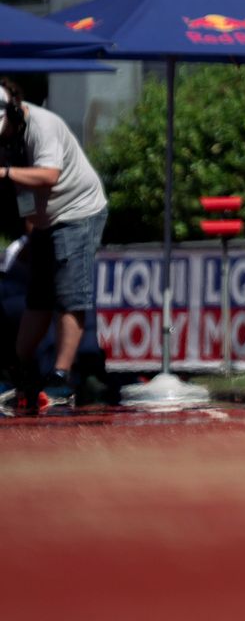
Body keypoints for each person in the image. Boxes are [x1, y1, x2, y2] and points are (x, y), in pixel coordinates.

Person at [0, 81, 108, 410]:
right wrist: (33, 227)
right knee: (38, 297)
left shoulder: (43, 126)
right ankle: (18, 373)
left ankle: (61, 378)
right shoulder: (9, 134)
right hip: (46, 217)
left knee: (69, 295)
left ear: (14, 113)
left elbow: (48, 175)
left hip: (78, 211)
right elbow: (26, 193)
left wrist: (4, 171)